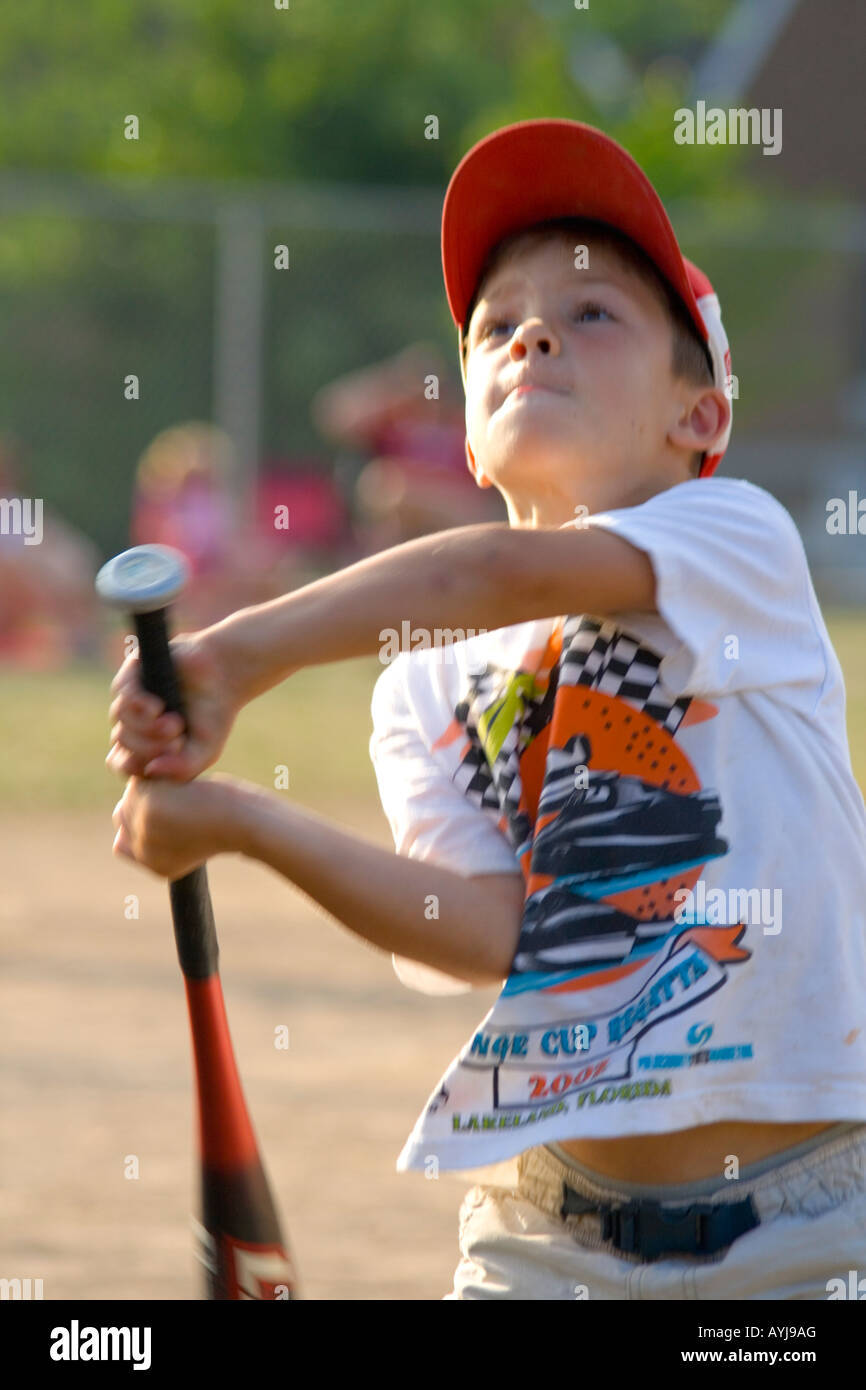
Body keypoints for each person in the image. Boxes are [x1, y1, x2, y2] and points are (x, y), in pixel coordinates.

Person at [105, 119, 866, 1300]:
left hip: (806, 1225)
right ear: (465, 432)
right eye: (494, 326)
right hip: (545, 1238)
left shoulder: (735, 543)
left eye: (592, 313)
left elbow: (483, 579)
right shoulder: (420, 681)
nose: (532, 334)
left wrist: (236, 655)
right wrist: (238, 819)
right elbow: (476, 931)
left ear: (697, 418)